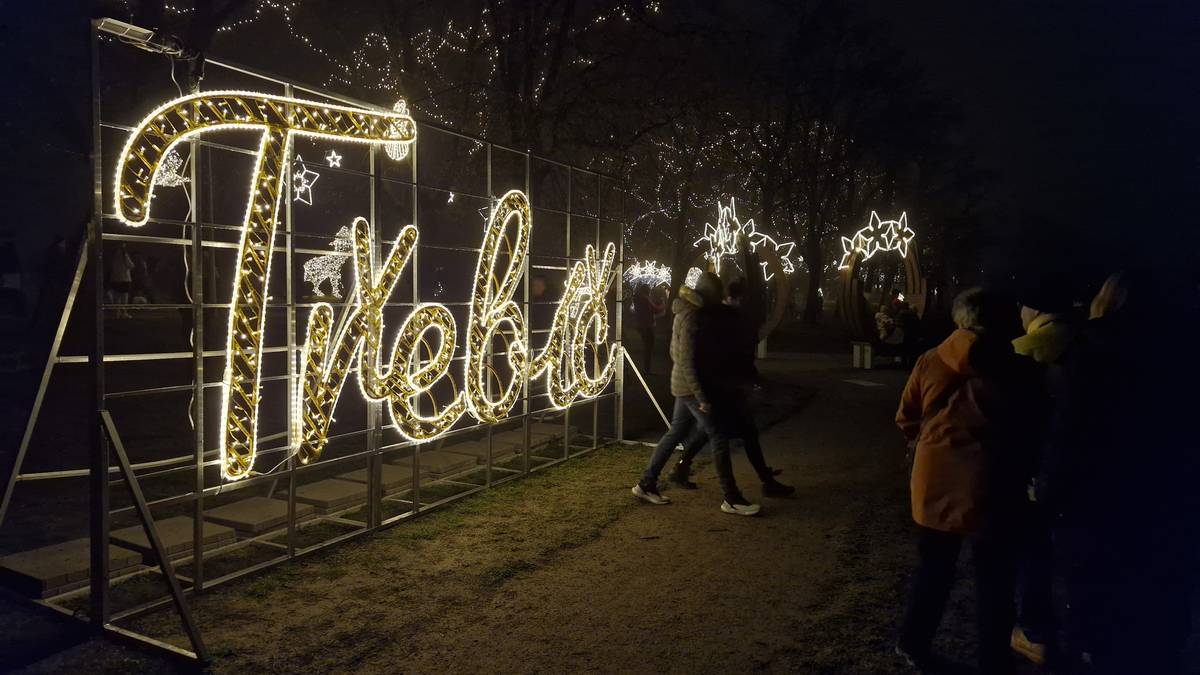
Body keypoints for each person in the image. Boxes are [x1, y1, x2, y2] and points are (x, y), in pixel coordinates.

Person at [1039, 271, 1196, 673]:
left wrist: (1049, 490)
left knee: (1097, 600)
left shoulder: (1094, 350)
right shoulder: (1182, 349)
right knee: (1156, 608)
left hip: (1099, 501)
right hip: (1166, 499)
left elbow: (1073, 428)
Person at [895, 287, 1033, 674]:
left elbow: (905, 418)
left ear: (960, 319)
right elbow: (1029, 425)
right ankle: (993, 659)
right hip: (991, 480)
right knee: (994, 578)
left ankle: (913, 643)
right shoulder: (1017, 365)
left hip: (933, 478)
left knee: (933, 569)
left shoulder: (928, 360)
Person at [632, 271, 762, 516]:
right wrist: (702, 397)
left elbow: (677, 356)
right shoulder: (693, 317)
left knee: (676, 432)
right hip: (690, 389)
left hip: (683, 386)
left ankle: (646, 484)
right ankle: (731, 497)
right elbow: (687, 361)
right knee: (718, 436)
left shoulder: (688, 313)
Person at [665, 279, 793, 498]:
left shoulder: (721, 316)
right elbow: (703, 355)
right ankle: (735, 492)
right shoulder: (713, 317)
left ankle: (682, 469)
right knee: (719, 433)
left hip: (722, 384)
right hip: (721, 386)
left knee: (717, 431)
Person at [1008, 283, 1079, 665]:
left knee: (1035, 554)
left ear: (1033, 310)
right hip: (1084, 473)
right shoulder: (1087, 343)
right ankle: (1081, 637)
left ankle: (1035, 633)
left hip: (1039, 471)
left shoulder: (1025, 350)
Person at [630, 284, 663, 373]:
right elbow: (655, 309)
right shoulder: (645, 299)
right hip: (647, 325)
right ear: (646, 291)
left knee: (647, 346)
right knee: (649, 346)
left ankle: (646, 368)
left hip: (641, 324)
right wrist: (662, 306)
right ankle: (647, 369)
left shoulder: (638, 299)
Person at [108, 243, 134, 318]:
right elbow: (131, 265)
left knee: (117, 296)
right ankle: (124, 312)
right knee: (124, 297)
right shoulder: (124, 254)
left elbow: (110, 266)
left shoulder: (112, 254)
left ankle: (117, 313)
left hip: (115, 278)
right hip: (125, 279)